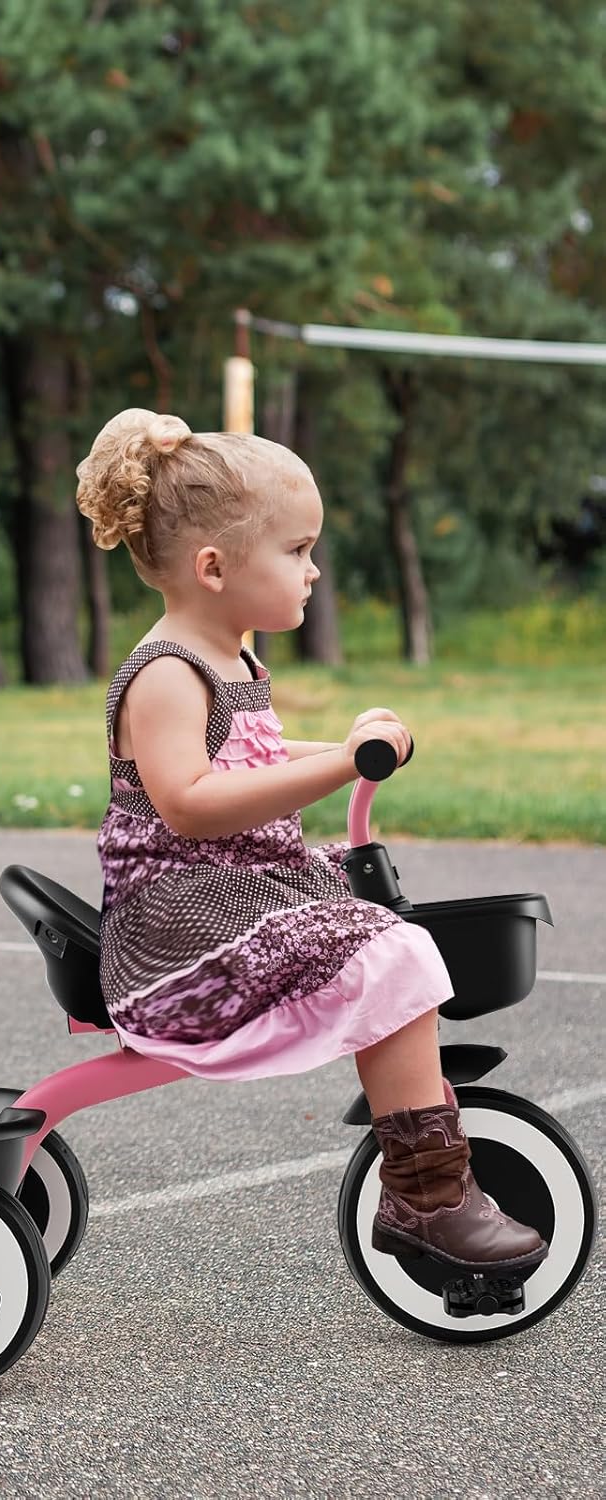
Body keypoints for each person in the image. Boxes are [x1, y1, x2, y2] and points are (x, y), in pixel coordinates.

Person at [75, 407, 547, 1273]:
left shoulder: (233, 659)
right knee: (389, 950)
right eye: (295, 550)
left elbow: (254, 755)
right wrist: (339, 767)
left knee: (384, 920)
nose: (314, 568)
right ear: (213, 568)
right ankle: (426, 1197)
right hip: (182, 934)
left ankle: (423, 1148)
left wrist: (339, 748)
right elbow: (188, 804)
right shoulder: (167, 674)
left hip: (245, 889)